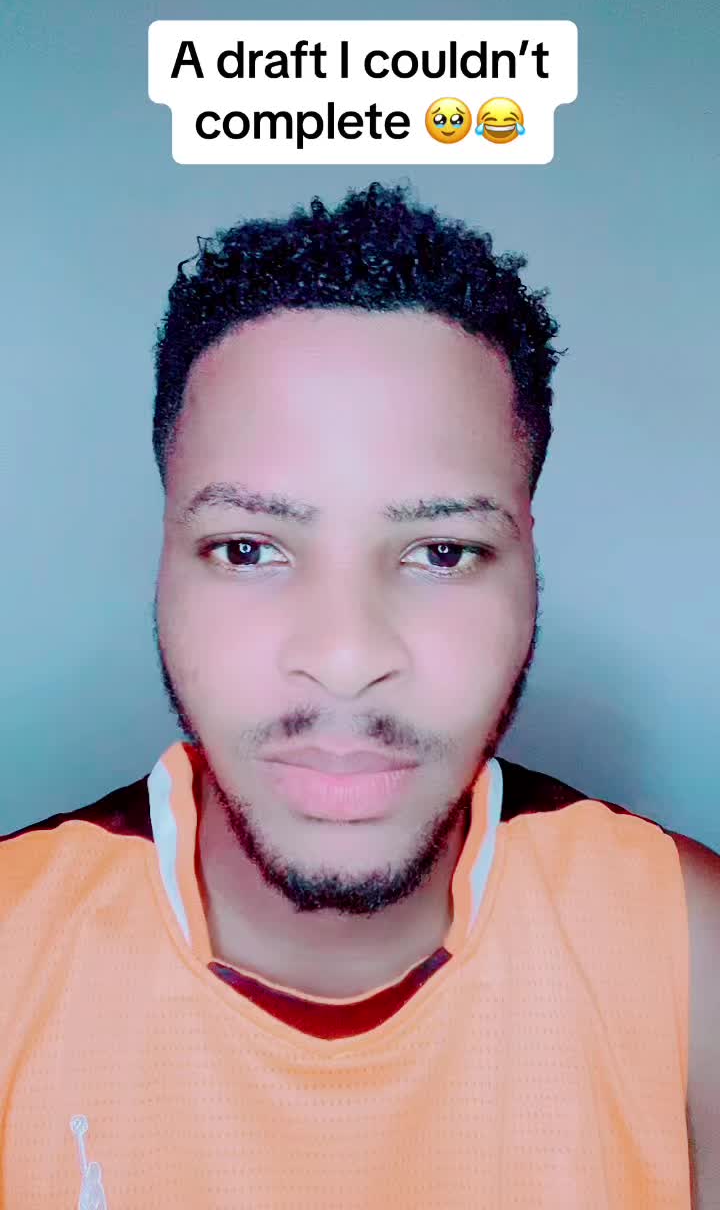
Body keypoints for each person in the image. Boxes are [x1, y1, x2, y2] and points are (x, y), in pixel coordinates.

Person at [1, 181, 717, 1208]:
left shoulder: (689, 956)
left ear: (530, 563)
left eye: (441, 551)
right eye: (248, 548)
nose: (344, 658)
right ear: (161, 559)